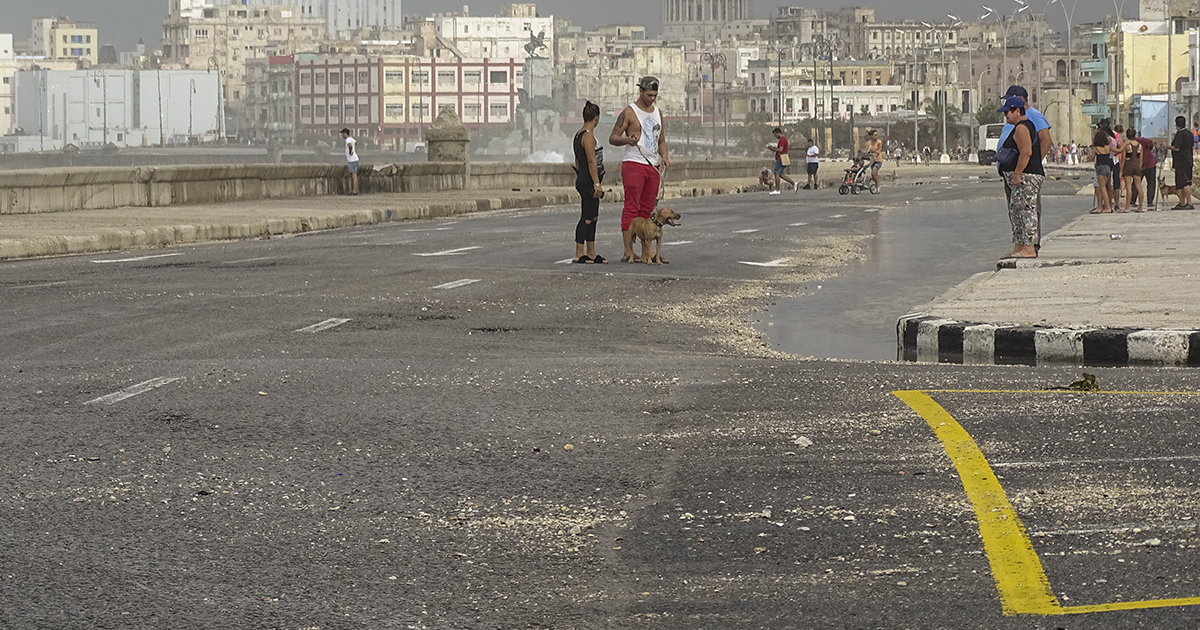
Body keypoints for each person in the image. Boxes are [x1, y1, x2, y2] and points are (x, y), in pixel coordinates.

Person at [610, 76, 670, 262]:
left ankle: (647, 252)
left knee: (647, 209)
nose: (652, 98)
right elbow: (613, 137)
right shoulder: (629, 112)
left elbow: (661, 140)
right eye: (649, 95)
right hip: (634, 162)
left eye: (655, 95)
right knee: (631, 207)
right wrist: (627, 140)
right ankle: (628, 250)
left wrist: (665, 156)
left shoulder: (657, 113)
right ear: (640, 91)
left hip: (653, 166)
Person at [996, 86, 1052, 249]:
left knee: (1028, 211)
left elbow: (1043, 142)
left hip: (1023, 175)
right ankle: (1020, 245)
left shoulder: (1032, 117)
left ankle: (1031, 245)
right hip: (1012, 173)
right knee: (1016, 212)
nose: (1006, 113)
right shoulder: (1014, 122)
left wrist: (1027, 167)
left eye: (1008, 109)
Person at [571, 101, 607, 264]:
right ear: (596, 119)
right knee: (586, 217)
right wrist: (596, 184)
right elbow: (592, 162)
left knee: (593, 217)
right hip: (589, 181)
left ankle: (591, 252)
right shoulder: (588, 137)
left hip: (583, 178)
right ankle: (579, 253)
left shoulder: (578, 135)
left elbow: (577, 161)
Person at [1090, 119, 1115, 214]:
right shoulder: (1108, 147)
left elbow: (1091, 159)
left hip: (1100, 169)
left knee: (1102, 188)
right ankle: (1107, 206)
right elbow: (1118, 150)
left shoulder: (1096, 149)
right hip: (1108, 167)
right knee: (1108, 187)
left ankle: (1107, 207)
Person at [1170, 115, 1194, 209]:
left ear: (1176, 124)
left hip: (1182, 161)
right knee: (1180, 183)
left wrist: (1167, 146)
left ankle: (1189, 202)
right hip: (1187, 160)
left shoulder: (1180, 134)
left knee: (1185, 182)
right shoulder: (1189, 133)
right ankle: (1182, 202)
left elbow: (1177, 148)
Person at [1119, 131, 1145, 212]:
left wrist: (1121, 170)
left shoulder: (1127, 145)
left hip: (1128, 165)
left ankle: (1127, 208)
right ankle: (1140, 207)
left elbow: (1123, 159)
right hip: (1136, 165)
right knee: (1139, 186)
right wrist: (1139, 167)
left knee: (1128, 187)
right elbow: (1141, 159)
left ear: (1127, 135)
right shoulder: (1140, 145)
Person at [766, 127, 797, 194]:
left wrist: (773, 149)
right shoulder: (783, 139)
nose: (775, 137)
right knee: (781, 174)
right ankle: (793, 183)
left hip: (780, 158)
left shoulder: (782, 139)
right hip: (781, 158)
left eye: (775, 135)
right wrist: (774, 148)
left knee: (776, 173)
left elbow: (780, 150)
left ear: (778, 133)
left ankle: (777, 190)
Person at [1131, 130, 1157, 208]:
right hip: (1150, 163)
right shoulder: (1146, 141)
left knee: (1136, 183)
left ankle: (1133, 200)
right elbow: (1151, 143)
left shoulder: (1133, 143)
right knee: (1151, 182)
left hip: (1140, 165)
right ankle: (1150, 201)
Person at [340, 128, 359, 195]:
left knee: (354, 175)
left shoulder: (348, 140)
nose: (342, 135)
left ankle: (354, 191)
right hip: (354, 159)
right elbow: (356, 143)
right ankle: (354, 190)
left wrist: (351, 151)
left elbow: (350, 145)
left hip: (352, 160)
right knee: (353, 175)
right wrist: (354, 150)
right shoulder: (351, 138)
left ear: (345, 133)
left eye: (342, 134)